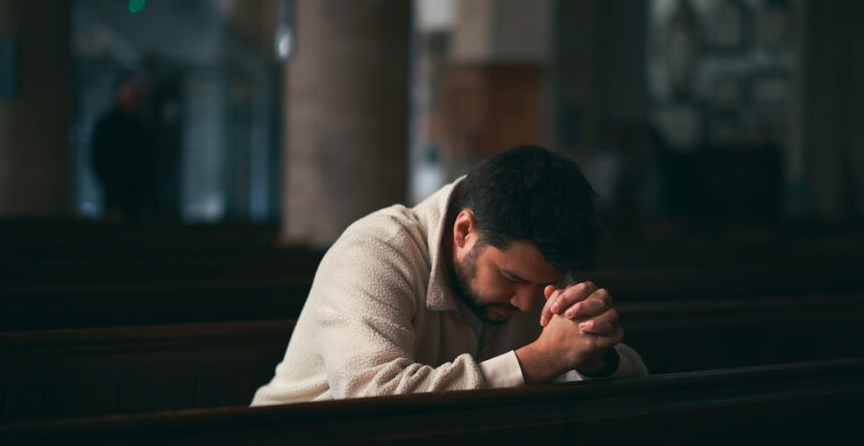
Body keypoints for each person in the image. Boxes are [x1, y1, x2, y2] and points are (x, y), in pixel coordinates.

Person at [252, 146, 647, 404]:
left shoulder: (535, 258)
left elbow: (632, 377)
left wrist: (594, 358)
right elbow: (369, 397)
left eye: (543, 283)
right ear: (463, 231)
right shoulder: (375, 250)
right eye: (511, 278)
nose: (527, 302)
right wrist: (538, 360)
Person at [90, 72, 157, 220]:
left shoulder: (144, 127)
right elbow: (98, 160)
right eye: (129, 92)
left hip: (141, 201)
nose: (133, 97)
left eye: (135, 93)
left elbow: (151, 163)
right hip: (115, 197)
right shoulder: (107, 126)